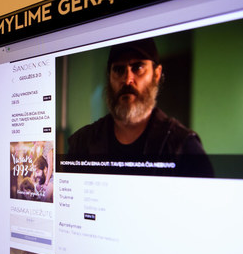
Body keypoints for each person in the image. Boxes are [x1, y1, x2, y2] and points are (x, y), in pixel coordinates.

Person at [67, 38, 213, 177]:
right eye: (118, 70)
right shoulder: (82, 144)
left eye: (138, 67)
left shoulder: (184, 148)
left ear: (156, 74)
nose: (127, 80)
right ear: (109, 77)